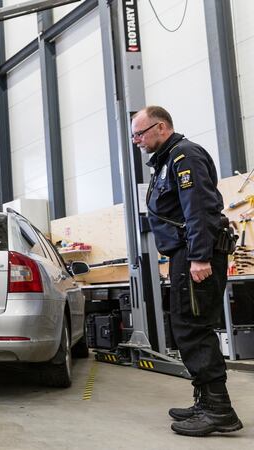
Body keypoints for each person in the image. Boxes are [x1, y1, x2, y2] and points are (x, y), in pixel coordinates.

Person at [134, 106, 243, 437]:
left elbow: (198, 209)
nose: (136, 140)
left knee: (193, 328)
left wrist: (198, 257)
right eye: (134, 135)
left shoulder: (184, 156)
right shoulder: (167, 162)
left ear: (161, 127)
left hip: (197, 255)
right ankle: (205, 400)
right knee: (187, 325)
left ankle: (218, 409)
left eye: (140, 133)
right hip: (185, 255)